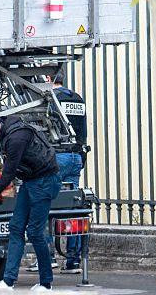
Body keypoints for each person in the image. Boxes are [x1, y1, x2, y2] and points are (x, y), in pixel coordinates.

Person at [0, 111, 59, 292]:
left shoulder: (16, 139)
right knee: (16, 227)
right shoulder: (2, 129)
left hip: (45, 181)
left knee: (35, 232)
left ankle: (46, 284)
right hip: (31, 180)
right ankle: (8, 282)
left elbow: (7, 177)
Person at [52, 70, 87, 273]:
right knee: (72, 207)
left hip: (58, 156)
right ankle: (72, 260)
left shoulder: (50, 99)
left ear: (48, 78)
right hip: (76, 156)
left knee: (46, 205)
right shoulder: (77, 98)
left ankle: (47, 258)